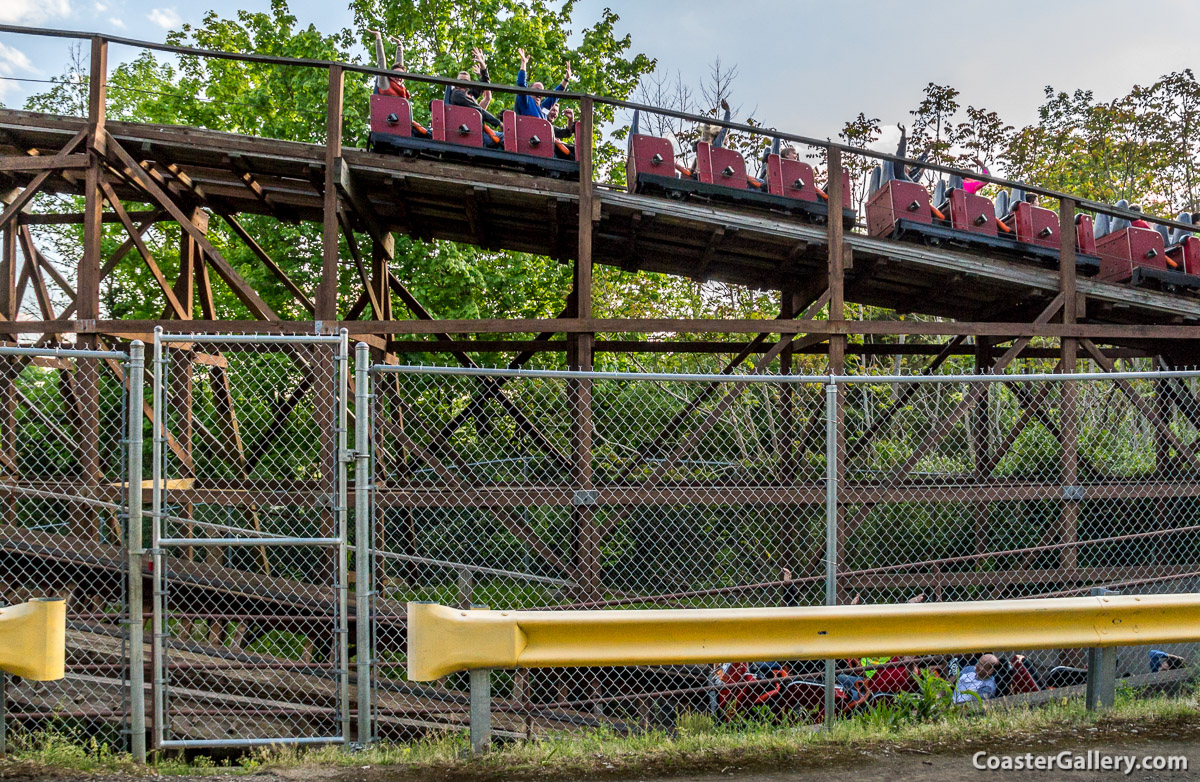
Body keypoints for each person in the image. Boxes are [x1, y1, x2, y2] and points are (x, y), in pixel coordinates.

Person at [515, 48, 571, 119]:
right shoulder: (526, 102)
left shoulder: (543, 108)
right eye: (537, 90)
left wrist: (566, 79)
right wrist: (523, 63)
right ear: (529, 91)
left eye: (541, 91)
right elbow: (521, 84)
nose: (539, 93)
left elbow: (555, 95)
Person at [368, 29, 408, 98]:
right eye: (396, 74)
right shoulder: (385, 84)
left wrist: (399, 45)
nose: (399, 77)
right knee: (379, 74)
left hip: (397, 107)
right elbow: (381, 61)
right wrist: (378, 37)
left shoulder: (401, 90)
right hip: (383, 106)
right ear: (391, 75)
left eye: (401, 75)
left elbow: (399, 63)